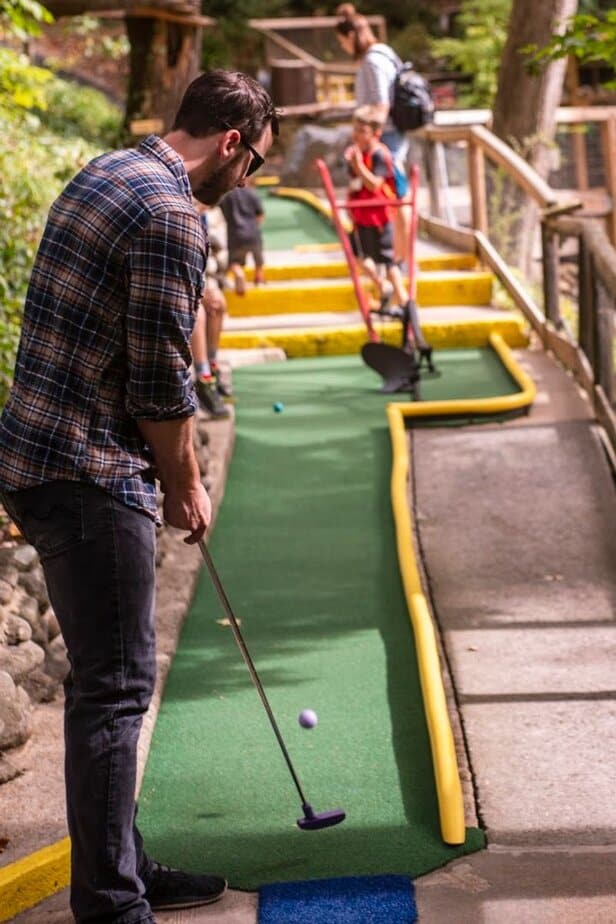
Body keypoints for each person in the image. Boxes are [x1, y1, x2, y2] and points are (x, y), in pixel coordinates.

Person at [0, 69, 278, 923]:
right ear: (231, 142)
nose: (249, 180)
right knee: (115, 691)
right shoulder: (169, 215)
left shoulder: (106, 171)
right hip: (86, 470)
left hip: (36, 450)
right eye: (256, 163)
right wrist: (185, 486)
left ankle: (123, 867)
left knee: (106, 687)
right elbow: (162, 383)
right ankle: (114, 907)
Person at [346, 105, 431, 361]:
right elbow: (354, 184)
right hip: (362, 217)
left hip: (380, 217)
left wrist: (359, 166)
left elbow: (374, 183)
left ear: (375, 133)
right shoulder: (356, 155)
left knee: (389, 263)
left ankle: (406, 307)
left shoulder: (379, 155)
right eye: (355, 130)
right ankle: (382, 288)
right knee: (359, 256)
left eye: (362, 131)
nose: (357, 135)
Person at [335, 3, 411, 263]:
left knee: (397, 196)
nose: (344, 48)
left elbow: (381, 104)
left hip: (385, 137)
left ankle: (402, 258)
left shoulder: (373, 61)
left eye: (343, 42)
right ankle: (400, 256)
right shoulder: (385, 53)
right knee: (397, 195)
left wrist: (364, 136)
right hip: (386, 135)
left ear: (352, 36)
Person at [191, 207, 232, 417]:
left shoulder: (214, 213)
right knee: (198, 313)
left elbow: (220, 252)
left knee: (218, 304)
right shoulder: (182, 204)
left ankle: (212, 365)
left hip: (205, 276)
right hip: (182, 278)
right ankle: (203, 377)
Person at [219, 176, 265, 295]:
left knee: (234, 261)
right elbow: (260, 215)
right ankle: (259, 278)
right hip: (252, 231)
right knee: (258, 257)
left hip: (235, 233)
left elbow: (221, 212)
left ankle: (239, 274)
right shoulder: (251, 193)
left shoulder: (226, 196)